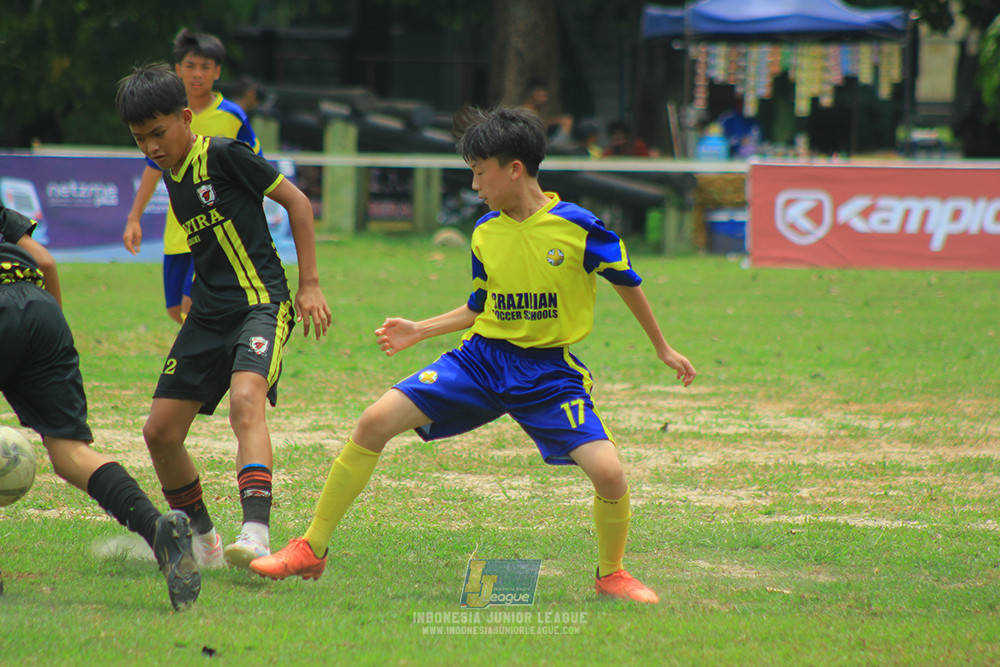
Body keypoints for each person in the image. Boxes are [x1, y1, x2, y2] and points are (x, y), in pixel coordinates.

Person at [251, 106, 697, 603]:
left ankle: (611, 573)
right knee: (374, 421)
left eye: (479, 173)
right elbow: (481, 306)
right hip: (480, 360)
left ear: (514, 169)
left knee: (609, 472)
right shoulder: (486, 231)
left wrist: (663, 347)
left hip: (548, 372)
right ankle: (311, 547)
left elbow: (627, 282)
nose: (475, 186)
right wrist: (419, 330)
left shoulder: (579, 227)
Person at [115, 63, 332, 571]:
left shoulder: (226, 154)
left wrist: (310, 285)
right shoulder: (171, 173)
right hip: (207, 314)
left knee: (244, 401)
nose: (150, 147)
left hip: (261, 303)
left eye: (158, 133)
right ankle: (204, 539)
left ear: (186, 117)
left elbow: (297, 203)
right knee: (159, 433)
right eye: (139, 138)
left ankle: (256, 534)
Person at [0, 202, 200, 611]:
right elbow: (46, 263)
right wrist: (53, 330)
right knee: (72, 452)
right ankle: (157, 527)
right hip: (40, 310)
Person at [122, 28, 261, 325]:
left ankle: (215, 360)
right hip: (178, 229)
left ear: (217, 72)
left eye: (205, 67)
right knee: (176, 310)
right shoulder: (165, 115)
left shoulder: (232, 115)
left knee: (192, 305)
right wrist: (134, 217)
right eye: (190, 66)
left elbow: (254, 165)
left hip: (214, 227)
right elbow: (153, 167)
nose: (197, 74)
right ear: (178, 70)